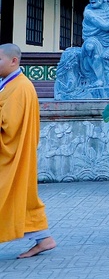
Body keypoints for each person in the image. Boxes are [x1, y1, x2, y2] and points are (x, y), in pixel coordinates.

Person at [0, 43, 57, 258]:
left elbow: (10, 124)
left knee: (11, 195)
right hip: (11, 154)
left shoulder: (20, 87)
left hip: (12, 153)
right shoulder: (9, 85)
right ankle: (44, 239)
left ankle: (44, 239)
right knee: (20, 197)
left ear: (14, 61)